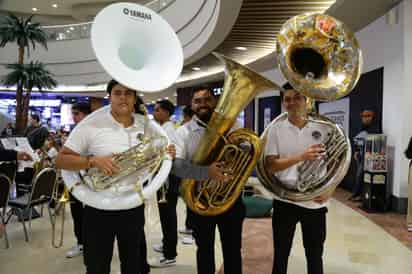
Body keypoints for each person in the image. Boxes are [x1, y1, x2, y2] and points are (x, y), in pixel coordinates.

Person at [56, 79, 175, 274]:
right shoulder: (91, 126)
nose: (123, 97)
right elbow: (60, 160)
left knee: (134, 265)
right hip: (98, 206)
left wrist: (165, 153)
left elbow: (153, 157)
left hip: (132, 205)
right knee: (97, 266)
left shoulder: (146, 127)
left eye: (128, 93)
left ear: (134, 98)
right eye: (117, 93)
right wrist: (92, 161)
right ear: (109, 97)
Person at [264, 83, 335, 274]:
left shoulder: (324, 127)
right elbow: (270, 166)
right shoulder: (275, 129)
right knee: (281, 254)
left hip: (314, 201)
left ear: (307, 100)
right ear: (283, 103)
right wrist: (301, 157)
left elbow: (338, 162)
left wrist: (331, 188)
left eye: (297, 97)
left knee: (314, 255)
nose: (292, 102)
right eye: (287, 99)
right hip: (284, 199)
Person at [174, 88, 244, 274]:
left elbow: (248, 156)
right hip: (200, 201)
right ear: (192, 106)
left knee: (233, 250)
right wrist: (207, 172)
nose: (203, 103)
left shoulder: (235, 126)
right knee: (204, 249)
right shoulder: (183, 132)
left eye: (207, 99)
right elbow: (177, 167)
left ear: (215, 102)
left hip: (230, 199)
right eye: (197, 101)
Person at [149, 99, 182, 268]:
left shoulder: (169, 131)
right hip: (164, 176)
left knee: (168, 216)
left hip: (168, 177)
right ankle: (166, 245)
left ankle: (170, 255)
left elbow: (173, 153)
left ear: (166, 113)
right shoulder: (164, 129)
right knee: (165, 215)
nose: (154, 113)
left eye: (157, 110)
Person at [65, 102, 91, 259]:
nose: (73, 117)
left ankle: (90, 244)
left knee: (89, 215)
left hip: (88, 178)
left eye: (77, 114)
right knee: (76, 213)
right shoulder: (74, 131)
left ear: (86, 115)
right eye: (73, 113)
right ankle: (81, 243)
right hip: (74, 178)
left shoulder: (92, 132)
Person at [350, 109, 377, 201]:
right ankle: (357, 194)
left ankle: (360, 195)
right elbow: (357, 140)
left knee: (362, 175)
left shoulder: (374, 128)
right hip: (361, 154)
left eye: (367, 116)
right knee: (359, 175)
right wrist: (356, 151)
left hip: (370, 155)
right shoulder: (361, 127)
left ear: (372, 117)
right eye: (363, 116)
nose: (364, 118)